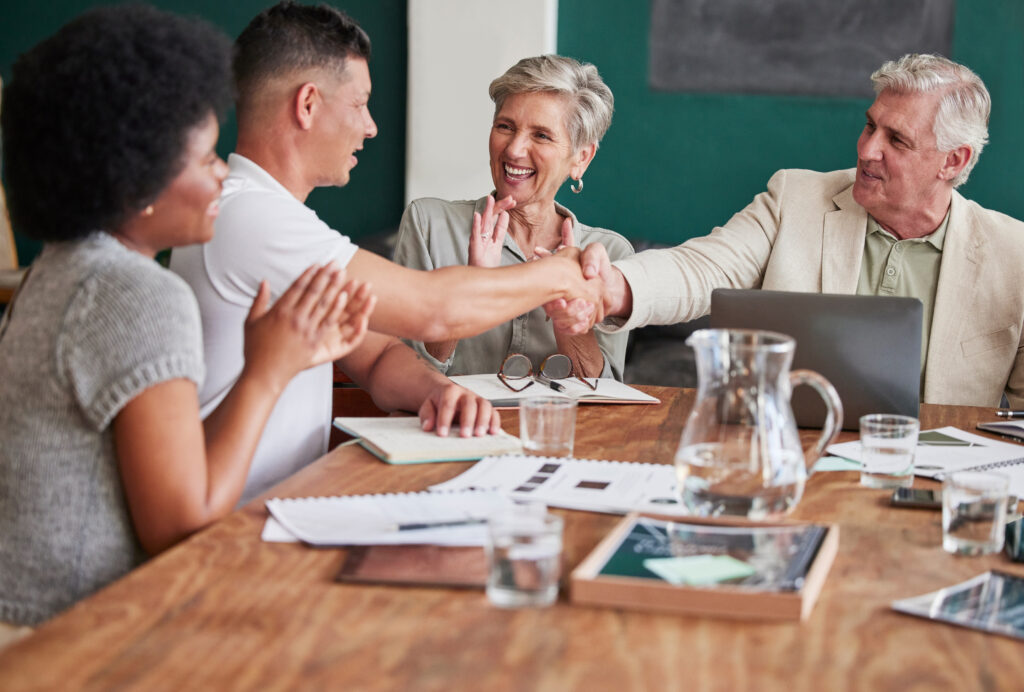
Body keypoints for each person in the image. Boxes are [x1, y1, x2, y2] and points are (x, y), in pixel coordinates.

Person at [0, 6, 374, 626]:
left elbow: (173, 469)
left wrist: (270, 361)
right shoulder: (136, 294)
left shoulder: (63, 270)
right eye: (206, 159)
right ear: (137, 179)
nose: (224, 172)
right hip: (72, 637)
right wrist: (267, 371)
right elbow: (181, 527)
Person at [170, 2, 603, 502]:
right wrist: (565, 273)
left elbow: (373, 356)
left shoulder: (265, 215)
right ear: (307, 104)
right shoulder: (251, 217)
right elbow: (432, 309)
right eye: (359, 104)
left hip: (287, 504)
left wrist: (437, 391)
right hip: (239, 527)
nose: (371, 126)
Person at [556, 53, 1024, 408]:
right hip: (796, 459)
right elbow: (702, 268)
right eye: (869, 126)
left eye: (896, 140)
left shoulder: (1014, 255)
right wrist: (611, 288)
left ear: (954, 160)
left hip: (939, 490)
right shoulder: (795, 198)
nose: (866, 149)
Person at [393, 55, 634, 380]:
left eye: (541, 135)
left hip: (557, 430)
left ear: (581, 158)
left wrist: (569, 304)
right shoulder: (429, 224)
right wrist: (470, 285)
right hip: (454, 429)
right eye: (505, 127)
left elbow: (604, 395)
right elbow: (406, 372)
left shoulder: (609, 254)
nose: (514, 150)